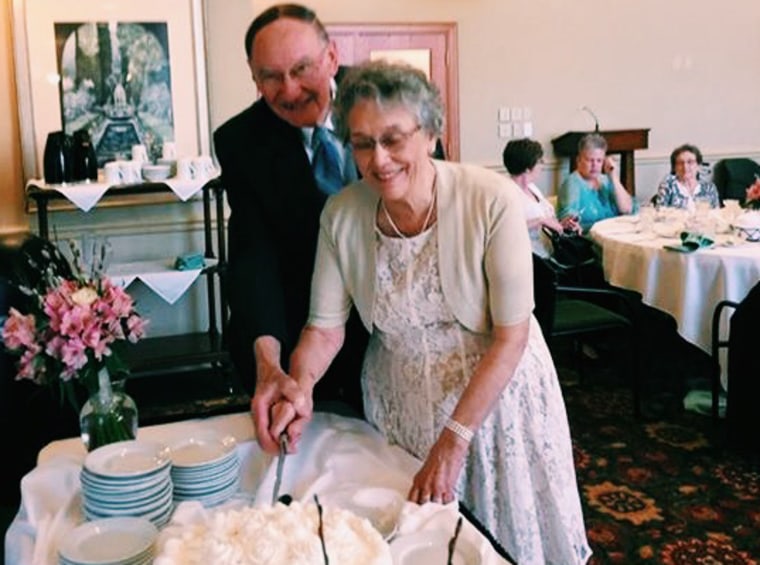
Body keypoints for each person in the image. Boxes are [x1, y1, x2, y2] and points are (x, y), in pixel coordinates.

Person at [252, 60, 592, 564]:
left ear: (431, 134)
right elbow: (323, 330)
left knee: (501, 547)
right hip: (401, 408)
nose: (379, 160)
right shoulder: (342, 214)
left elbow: (511, 337)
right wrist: (298, 387)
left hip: (496, 405)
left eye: (394, 139)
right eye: (362, 143)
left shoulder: (490, 199)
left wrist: (454, 440)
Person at [213, 4, 368, 412]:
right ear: (253, 75)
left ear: (331, 57)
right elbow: (253, 256)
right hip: (297, 332)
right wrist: (269, 362)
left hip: (391, 328)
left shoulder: (387, 100)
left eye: (302, 69)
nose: (290, 89)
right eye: (271, 76)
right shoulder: (241, 141)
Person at [503, 138, 581, 258]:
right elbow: (506, 230)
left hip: (550, 252)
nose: (543, 165)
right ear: (527, 168)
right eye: (539, 161)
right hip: (530, 260)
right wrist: (540, 221)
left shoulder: (532, 187)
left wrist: (562, 225)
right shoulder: (508, 194)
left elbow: (546, 221)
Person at [557, 132, 636, 232]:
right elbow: (569, 219)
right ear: (579, 160)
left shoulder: (606, 180)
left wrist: (614, 178)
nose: (594, 165)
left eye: (599, 161)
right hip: (589, 241)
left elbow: (627, 209)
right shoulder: (573, 183)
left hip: (615, 234)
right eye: (590, 160)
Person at [653, 143, 720, 210]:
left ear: (698, 166)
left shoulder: (709, 188)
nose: (685, 167)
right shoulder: (668, 185)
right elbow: (660, 214)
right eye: (680, 163)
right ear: (674, 168)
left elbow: (716, 214)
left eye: (690, 162)